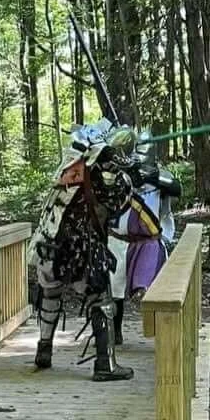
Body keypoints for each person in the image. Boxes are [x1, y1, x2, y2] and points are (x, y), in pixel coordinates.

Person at [28, 119, 141, 382]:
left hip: (49, 242)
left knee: (50, 292)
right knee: (101, 301)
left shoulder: (72, 166)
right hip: (81, 249)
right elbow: (118, 205)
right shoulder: (111, 179)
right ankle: (105, 364)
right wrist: (131, 177)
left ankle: (44, 348)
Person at [108, 137, 181, 344]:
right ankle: (115, 333)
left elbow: (176, 189)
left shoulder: (160, 178)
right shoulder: (116, 176)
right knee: (114, 290)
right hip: (118, 241)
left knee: (152, 291)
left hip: (149, 242)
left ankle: (162, 335)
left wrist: (151, 177)